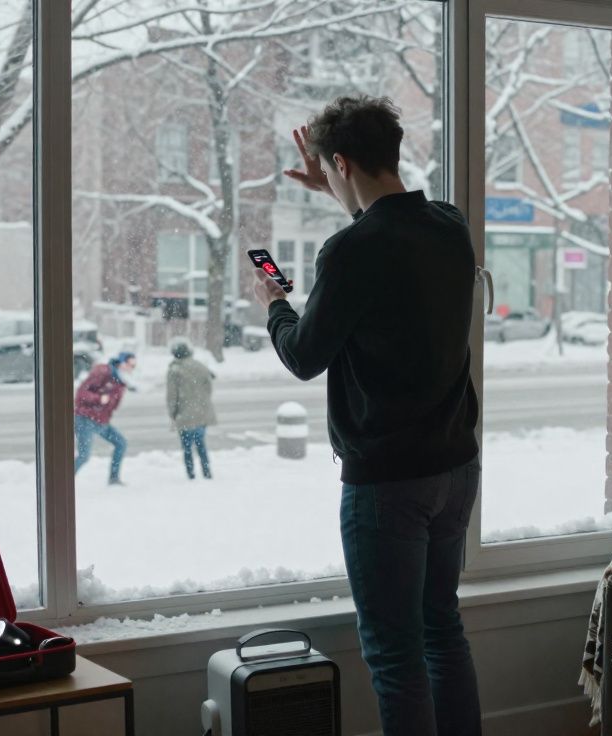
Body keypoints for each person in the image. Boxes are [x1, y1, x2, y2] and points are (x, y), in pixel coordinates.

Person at [253, 96, 481, 736]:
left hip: (388, 483)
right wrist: (338, 189)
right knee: (442, 628)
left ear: (342, 163)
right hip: (457, 467)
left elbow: (304, 356)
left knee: (394, 653)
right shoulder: (449, 224)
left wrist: (275, 301)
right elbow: (386, 229)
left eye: (329, 170)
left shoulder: (349, 251)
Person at [74, 351, 136, 485]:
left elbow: (113, 405)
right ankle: (63, 481)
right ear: (120, 362)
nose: (131, 368)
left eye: (133, 366)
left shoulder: (121, 380)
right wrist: (99, 398)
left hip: (101, 421)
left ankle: (114, 479)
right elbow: (80, 394)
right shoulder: (103, 372)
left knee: (121, 443)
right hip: (86, 419)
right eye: (129, 364)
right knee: (84, 456)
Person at [165, 338, 217, 480]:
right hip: (202, 412)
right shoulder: (200, 366)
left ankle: (191, 474)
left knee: (187, 447)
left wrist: (172, 413)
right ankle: (207, 472)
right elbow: (208, 388)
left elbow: (172, 396)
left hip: (184, 414)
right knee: (201, 444)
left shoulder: (174, 370)